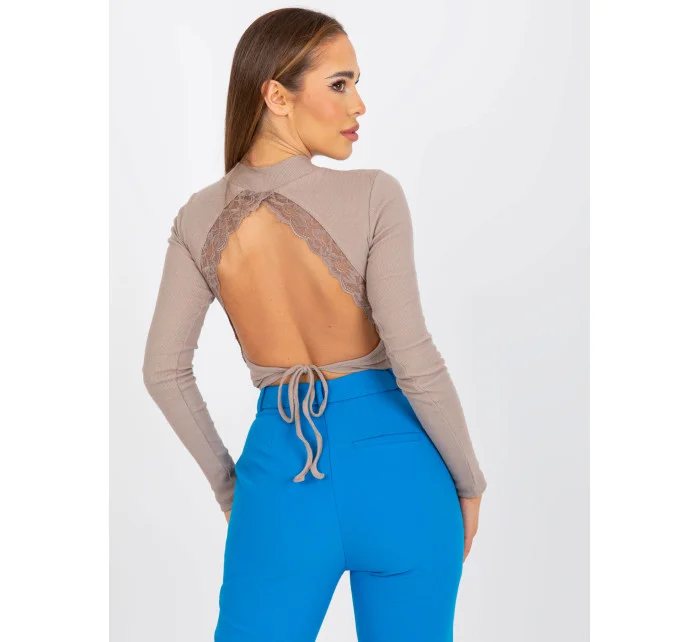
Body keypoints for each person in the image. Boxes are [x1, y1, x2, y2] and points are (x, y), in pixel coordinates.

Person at [142, 7, 487, 642]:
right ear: (276, 96)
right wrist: (469, 481)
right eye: (339, 83)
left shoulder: (197, 218)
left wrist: (234, 491)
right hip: (403, 478)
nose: (359, 104)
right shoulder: (374, 194)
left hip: (280, 481)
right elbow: (413, 356)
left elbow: (163, 371)